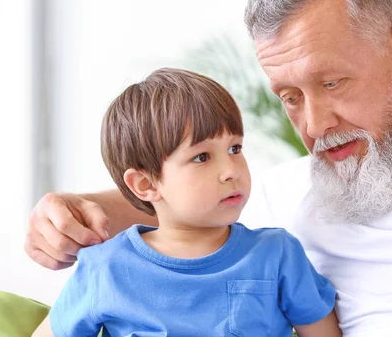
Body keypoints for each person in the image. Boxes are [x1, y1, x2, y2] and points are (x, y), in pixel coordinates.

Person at [26, 0, 392, 336]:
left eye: (333, 83)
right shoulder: (289, 195)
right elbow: (180, 204)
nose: (313, 125)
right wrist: (77, 208)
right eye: (290, 97)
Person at [32, 68, 341, 337]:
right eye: (202, 157)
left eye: (235, 148)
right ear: (145, 184)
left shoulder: (277, 254)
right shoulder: (105, 268)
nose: (231, 171)